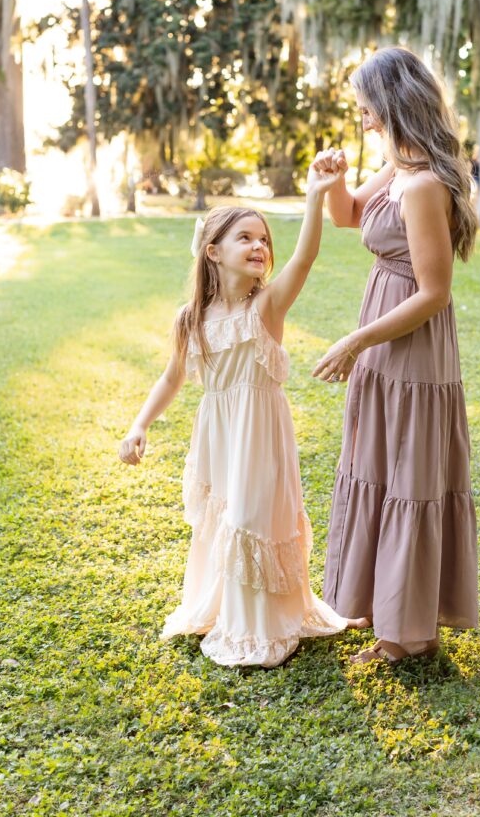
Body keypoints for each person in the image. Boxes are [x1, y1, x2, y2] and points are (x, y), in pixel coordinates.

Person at [118, 171, 352, 668]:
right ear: (213, 251)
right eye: (244, 237)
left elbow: (304, 258)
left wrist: (315, 196)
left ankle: (260, 625)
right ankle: (225, 608)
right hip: (218, 436)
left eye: (263, 239)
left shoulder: (266, 306)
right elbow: (171, 378)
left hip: (259, 435)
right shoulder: (190, 319)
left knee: (252, 519)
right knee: (223, 520)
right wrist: (139, 424)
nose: (258, 246)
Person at [311, 46, 479, 664]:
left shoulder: (426, 184)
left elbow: (434, 293)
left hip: (410, 345)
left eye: (366, 105)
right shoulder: (398, 166)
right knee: (377, 464)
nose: (360, 115)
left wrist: (356, 340)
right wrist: (332, 180)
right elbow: (349, 217)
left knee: (409, 472)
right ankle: (376, 606)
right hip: (383, 338)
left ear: (392, 100)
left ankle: (409, 634)